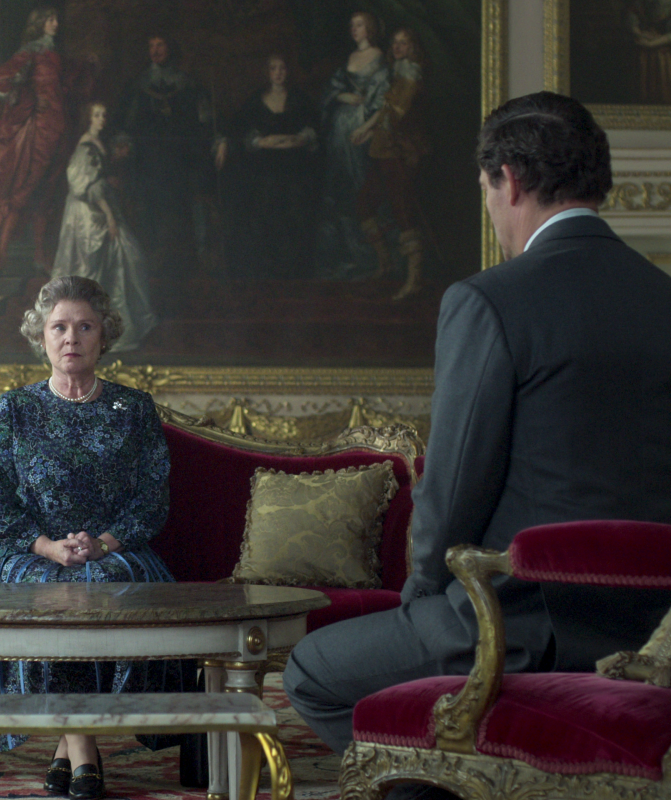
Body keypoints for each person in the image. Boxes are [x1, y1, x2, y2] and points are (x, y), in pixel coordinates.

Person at [284, 92, 671, 800]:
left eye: (488, 191)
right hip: (646, 632)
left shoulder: (488, 299)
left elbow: (455, 486)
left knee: (312, 670)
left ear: (509, 180)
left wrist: (421, 595)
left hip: (512, 622)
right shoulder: (663, 297)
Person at [0, 276, 192, 800]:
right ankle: (85, 750)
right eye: (59, 327)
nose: (71, 337)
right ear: (41, 337)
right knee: (47, 590)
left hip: (115, 550)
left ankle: (66, 748)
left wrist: (105, 543)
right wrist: (48, 546)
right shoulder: (14, 410)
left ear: (103, 336)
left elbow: (151, 500)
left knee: (108, 583)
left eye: (84, 326)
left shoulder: (135, 409)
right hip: (29, 552)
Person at [0, 6, 94, 278]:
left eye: (56, 19)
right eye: (50, 19)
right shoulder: (30, 52)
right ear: (39, 24)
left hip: (60, 129)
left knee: (48, 193)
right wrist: (31, 98)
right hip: (39, 130)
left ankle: (39, 255)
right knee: (24, 189)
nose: (56, 23)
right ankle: (0, 254)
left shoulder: (56, 54)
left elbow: (67, 84)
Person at [50, 102, 157, 353]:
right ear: (88, 117)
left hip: (99, 209)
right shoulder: (86, 146)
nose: (102, 119)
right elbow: (85, 185)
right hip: (90, 214)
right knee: (93, 267)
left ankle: (103, 329)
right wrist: (109, 216)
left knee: (121, 261)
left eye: (104, 114)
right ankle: (87, 331)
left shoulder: (98, 143)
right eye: (97, 114)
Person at [117, 33, 217, 274]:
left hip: (180, 160)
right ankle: (152, 260)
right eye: (151, 45)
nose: (155, 50)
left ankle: (187, 263)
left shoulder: (189, 85)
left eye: (160, 45)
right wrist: (124, 142)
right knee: (150, 208)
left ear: (170, 48)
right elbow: (126, 125)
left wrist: (214, 140)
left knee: (183, 209)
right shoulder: (138, 86)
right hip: (149, 162)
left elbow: (204, 122)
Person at [218, 53, 318, 280]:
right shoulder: (255, 100)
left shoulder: (300, 99)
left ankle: (293, 270)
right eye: (274, 68)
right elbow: (239, 129)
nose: (279, 73)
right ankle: (267, 267)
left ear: (288, 71)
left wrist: (297, 140)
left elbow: (312, 128)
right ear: (268, 72)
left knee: (294, 212)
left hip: (295, 166)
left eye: (282, 68)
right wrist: (261, 141)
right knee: (264, 209)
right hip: (264, 167)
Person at [351, 27, 430, 300]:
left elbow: (397, 114)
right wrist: (369, 130)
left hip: (401, 152)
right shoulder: (398, 74)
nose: (397, 46)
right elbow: (388, 114)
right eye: (395, 42)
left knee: (401, 208)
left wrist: (372, 127)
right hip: (384, 149)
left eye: (404, 42)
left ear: (412, 47)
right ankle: (385, 264)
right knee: (364, 203)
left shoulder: (410, 75)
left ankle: (414, 278)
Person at [315, 11, 389, 280]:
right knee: (339, 189)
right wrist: (342, 94)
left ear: (369, 27)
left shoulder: (380, 58)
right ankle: (345, 256)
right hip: (339, 132)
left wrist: (367, 124)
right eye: (351, 25)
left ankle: (371, 258)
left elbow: (382, 99)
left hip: (361, 131)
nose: (354, 30)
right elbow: (331, 91)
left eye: (358, 25)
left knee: (360, 187)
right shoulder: (348, 60)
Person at [629, 0, 671, 103]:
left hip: (663, 47)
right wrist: (642, 36)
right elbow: (632, 21)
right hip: (644, 43)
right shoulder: (638, 5)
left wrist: (653, 43)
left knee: (660, 56)